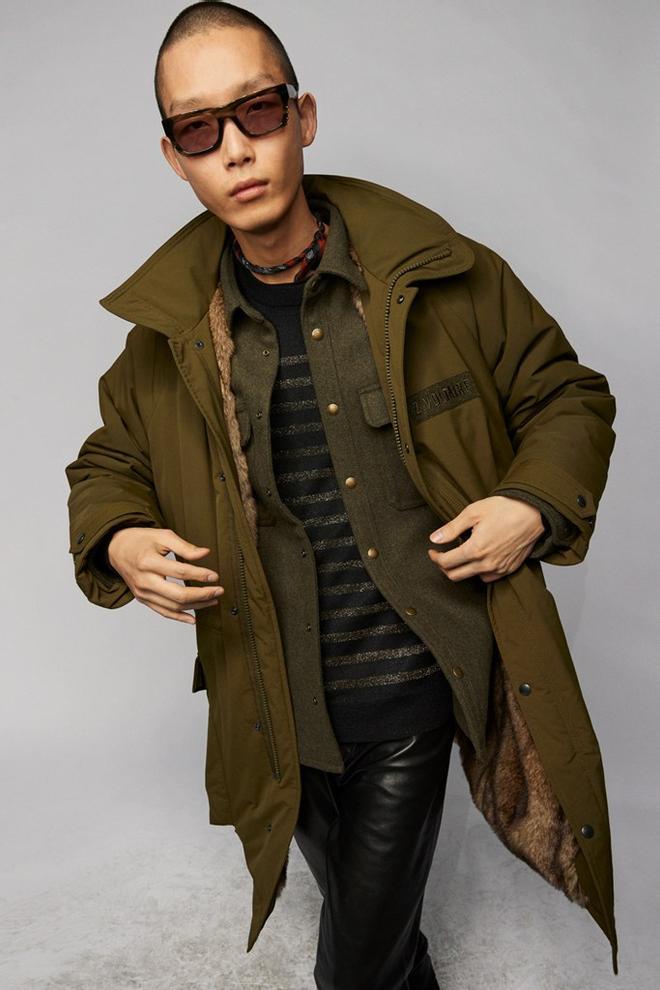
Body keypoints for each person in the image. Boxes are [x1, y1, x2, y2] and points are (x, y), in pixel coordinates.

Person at [65, 3, 619, 986]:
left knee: (354, 968)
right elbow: (108, 465)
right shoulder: (165, 338)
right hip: (272, 698)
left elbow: (565, 394)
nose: (235, 149)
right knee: (383, 942)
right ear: (174, 159)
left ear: (304, 116)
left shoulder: (442, 278)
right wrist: (121, 538)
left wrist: (532, 503)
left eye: (258, 111)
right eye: (199, 129)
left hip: (413, 678)